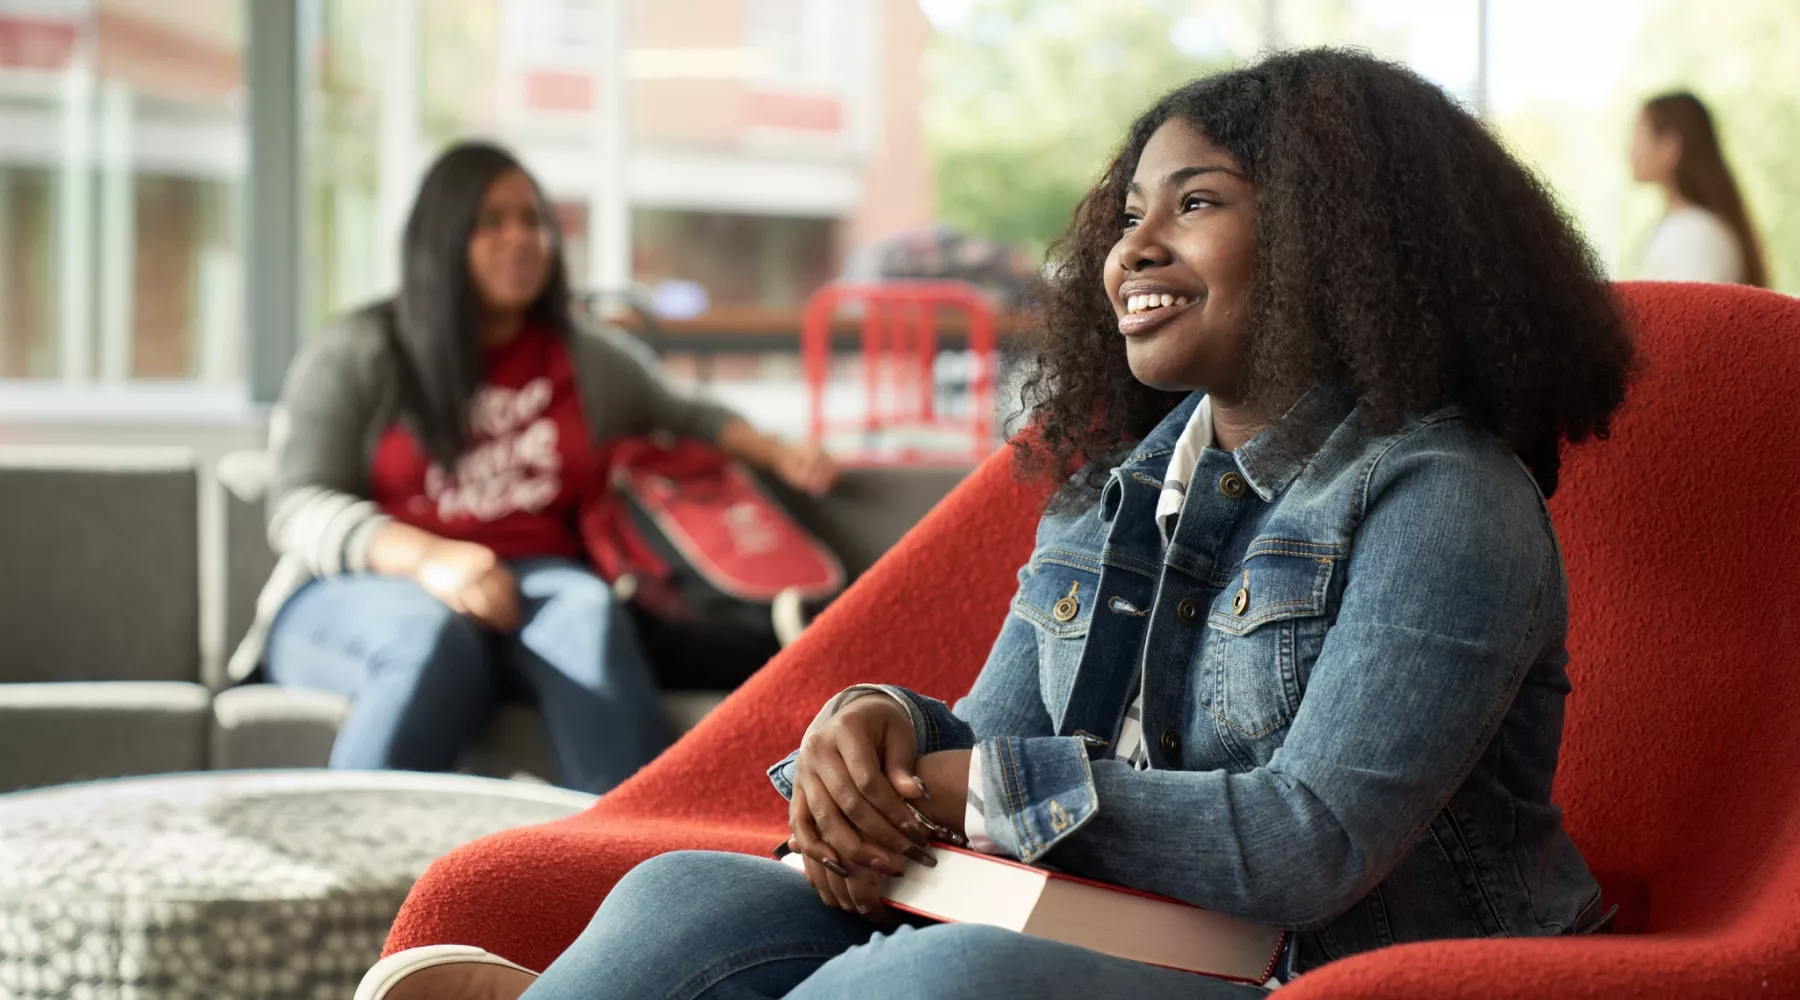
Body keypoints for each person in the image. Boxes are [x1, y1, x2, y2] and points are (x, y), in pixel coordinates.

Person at [358, 48, 1635, 999]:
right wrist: (880, 733)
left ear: (1341, 236)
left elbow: (1314, 846)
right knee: (682, 888)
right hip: (1112, 920)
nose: (1131, 247)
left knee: (921, 988)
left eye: (1194, 203)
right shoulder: (1115, 484)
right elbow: (1000, 747)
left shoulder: (1447, 497)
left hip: (1327, 961)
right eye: (1128, 211)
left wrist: (963, 784)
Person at [237, 141, 838, 794]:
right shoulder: (357, 351)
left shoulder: (585, 359)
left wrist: (778, 451)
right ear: (441, 238)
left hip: (532, 587)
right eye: (491, 222)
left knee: (587, 611)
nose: (520, 239)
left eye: (532, 221)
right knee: (432, 639)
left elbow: (686, 411)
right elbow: (298, 506)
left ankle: (626, 871)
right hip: (362, 595)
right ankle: (349, 881)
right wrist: (430, 560)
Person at [1629, 91, 1768, 287]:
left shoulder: (1696, 234)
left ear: (1671, 147)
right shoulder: (1679, 226)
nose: (1630, 149)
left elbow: (1687, 314)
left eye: (1638, 135)